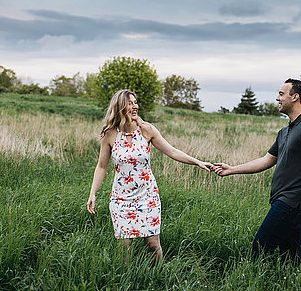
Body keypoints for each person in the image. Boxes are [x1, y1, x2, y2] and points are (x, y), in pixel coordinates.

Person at [87, 89, 215, 262]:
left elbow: (172, 151)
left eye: (135, 102)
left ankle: (157, 277)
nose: (135, 106)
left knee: (153, 244)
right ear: (120, 107)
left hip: (148, 196)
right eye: (130, 103)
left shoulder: (147, 130)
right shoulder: (110, 135)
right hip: (121, 199)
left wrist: (198, 162)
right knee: (125, 246)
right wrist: (93, 192)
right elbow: (102, 166)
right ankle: (128, 280)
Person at [214, 78, 301, 262]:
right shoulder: (285, 132)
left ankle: (255, 279)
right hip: (284, 199)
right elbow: (267, 160)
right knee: (289, 253)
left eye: (281, 94)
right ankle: (291, 279)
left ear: (295, 97)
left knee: (260, 247)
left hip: (294, 202)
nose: (277, 98)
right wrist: (232, 169)